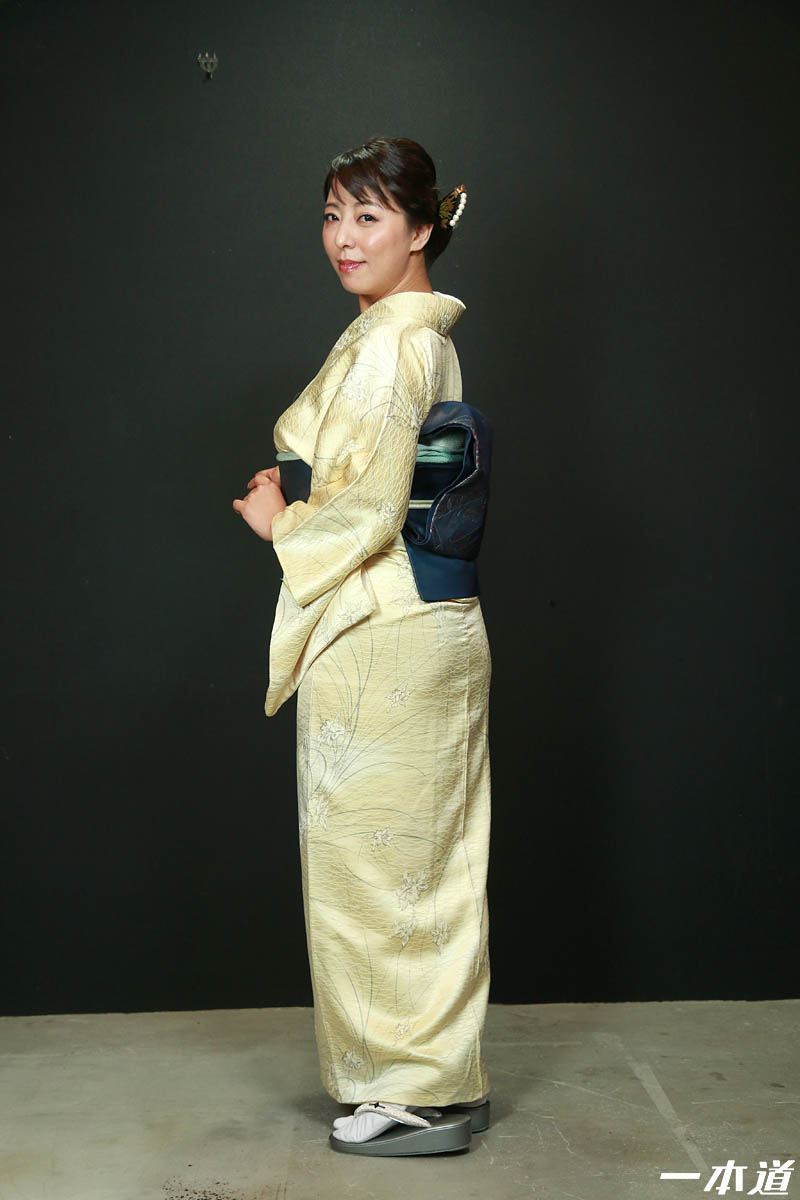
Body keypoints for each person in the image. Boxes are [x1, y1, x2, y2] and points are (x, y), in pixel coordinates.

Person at [232, 136, 491, 1156]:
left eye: (369, 217)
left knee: (378, 865)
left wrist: (281, 523)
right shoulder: (408, 333)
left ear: (422, 228)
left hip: (386, 625)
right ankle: (433, 1079)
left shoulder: (392, 345)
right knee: (414, 858)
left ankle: (415, 1093)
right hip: (421, 621)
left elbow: (373, 508)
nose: (343, 237)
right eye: (333, 215)